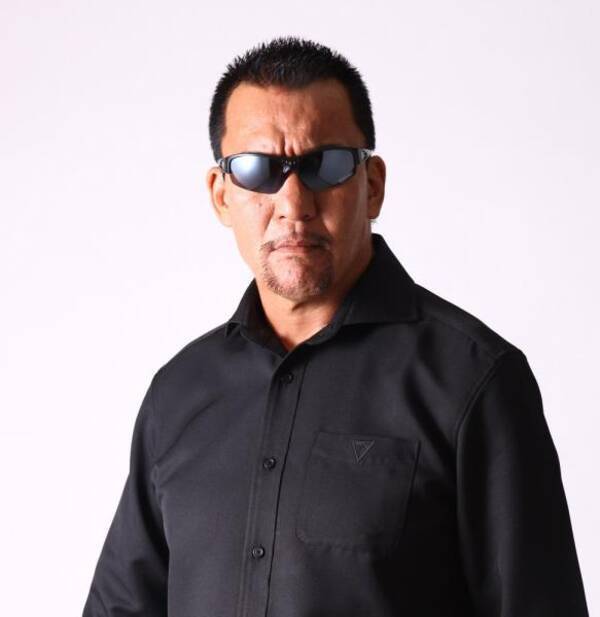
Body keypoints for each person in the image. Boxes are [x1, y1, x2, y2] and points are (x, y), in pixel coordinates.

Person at [82, 36, 589, 617]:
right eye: (257, 170)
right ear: (221, 196)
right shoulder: (179, 394)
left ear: (372, 185)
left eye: (324, 166)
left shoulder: (472, 382)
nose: (293, 203)